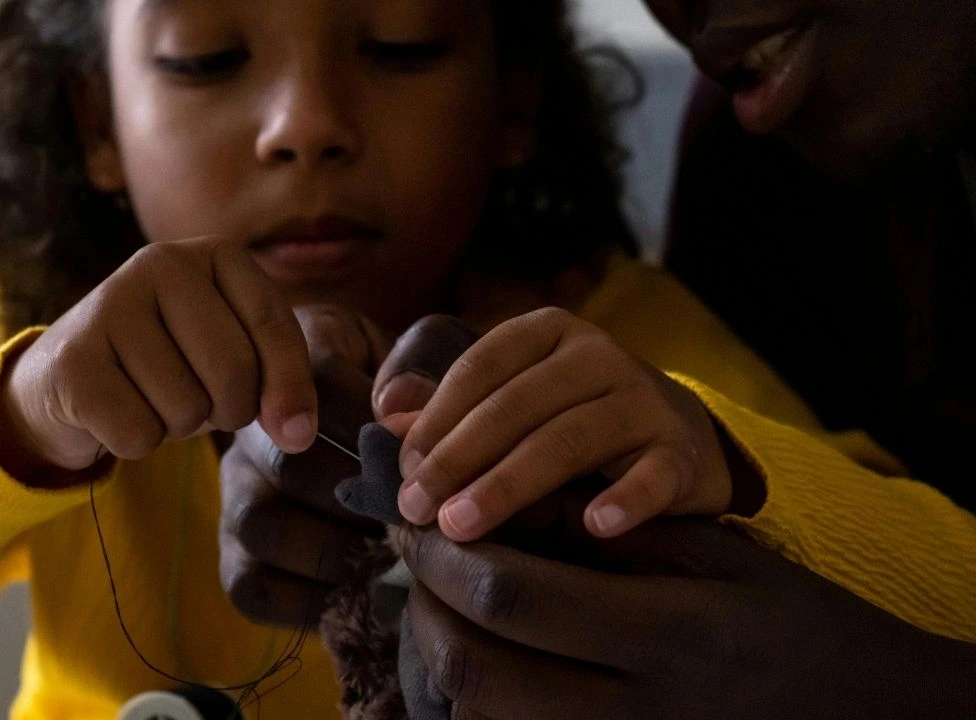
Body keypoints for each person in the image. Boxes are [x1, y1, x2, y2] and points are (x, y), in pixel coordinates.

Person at [298, 0, 976, 716]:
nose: (303, 129)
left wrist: (890, 685)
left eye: (402, 49)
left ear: (517, 106)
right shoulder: (766, 153)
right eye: (202, 64)